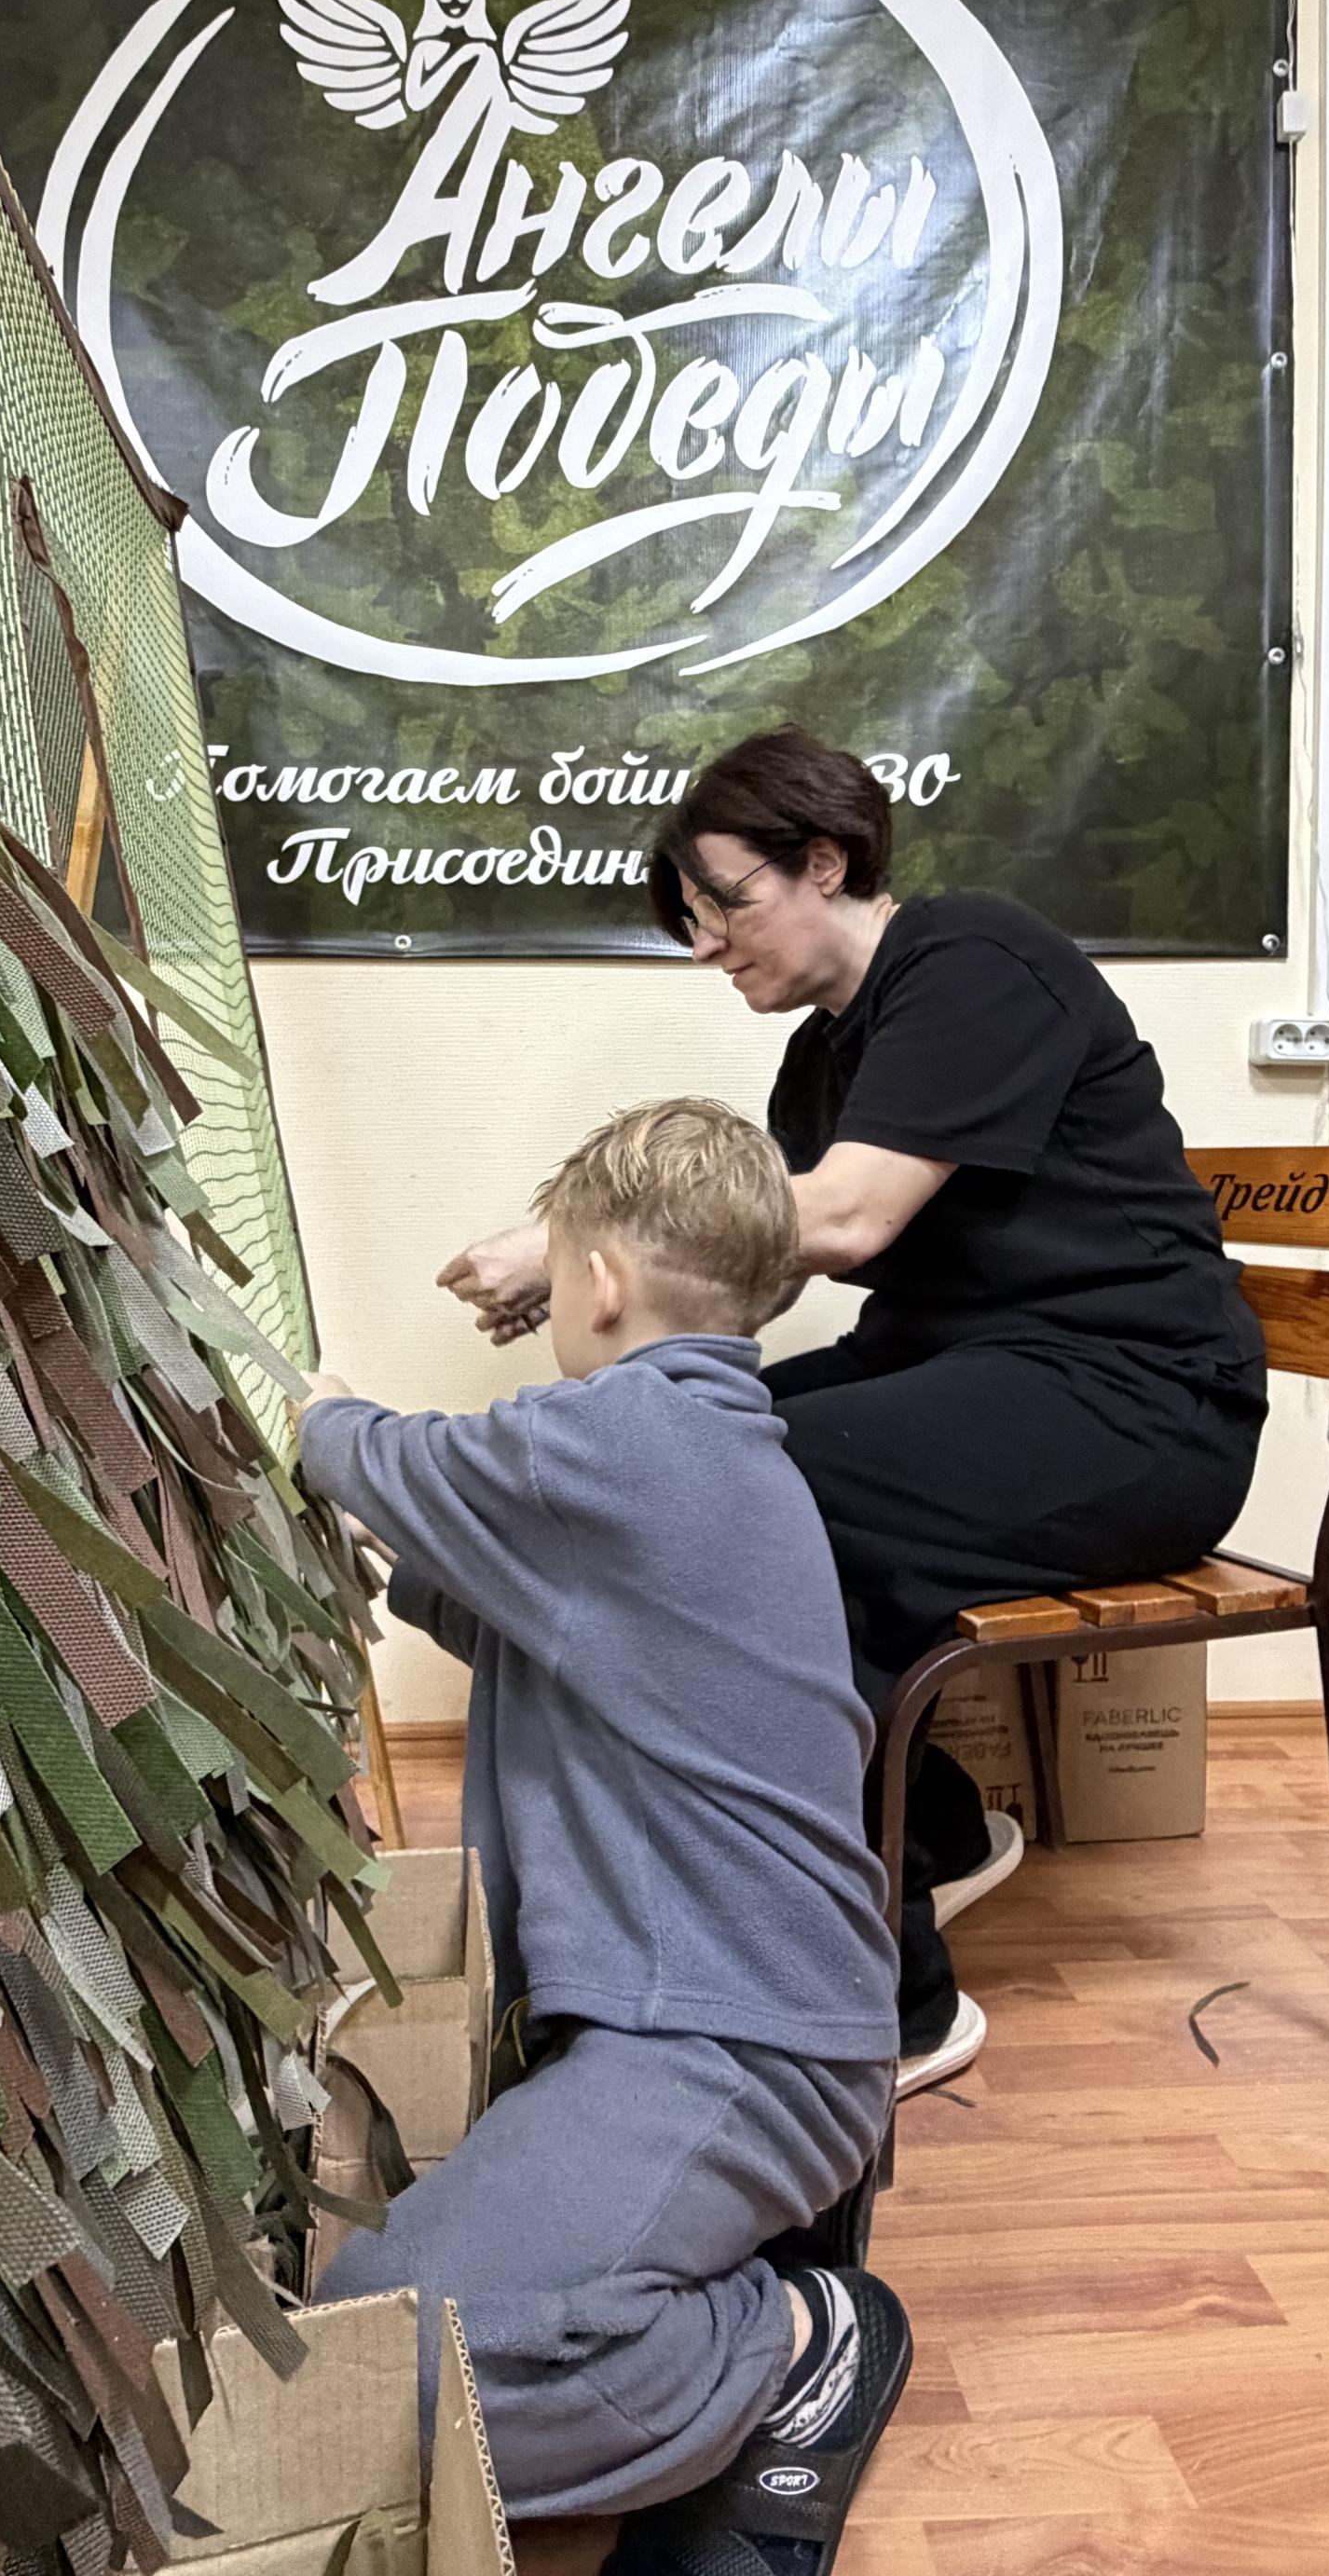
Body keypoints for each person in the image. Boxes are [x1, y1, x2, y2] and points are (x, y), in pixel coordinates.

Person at [440, 730, 1267, 2098]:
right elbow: (749, 1278)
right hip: (984, 1377)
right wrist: (609, 1314)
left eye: (724, 904)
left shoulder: (973, 962)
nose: (707, 947)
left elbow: (849, 1214)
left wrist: (570, 1239)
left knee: (765, 1495)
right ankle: (933, 1835)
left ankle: (898, 2006)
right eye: (689, 922)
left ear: (824, 862)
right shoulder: (819, 1066)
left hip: (1139, 1401)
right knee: (693, 1448)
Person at [300, 1098, 911, 2576]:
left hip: (737, 2044)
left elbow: (374, 1455)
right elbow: (541, 1623)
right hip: (728, 2020)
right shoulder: (707, 1449)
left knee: (389, 2357)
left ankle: (797, 2344)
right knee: (379, 2323)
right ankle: (699, 2265)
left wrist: (304, 1410)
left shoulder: (625, 1437)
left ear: (600, 1281)